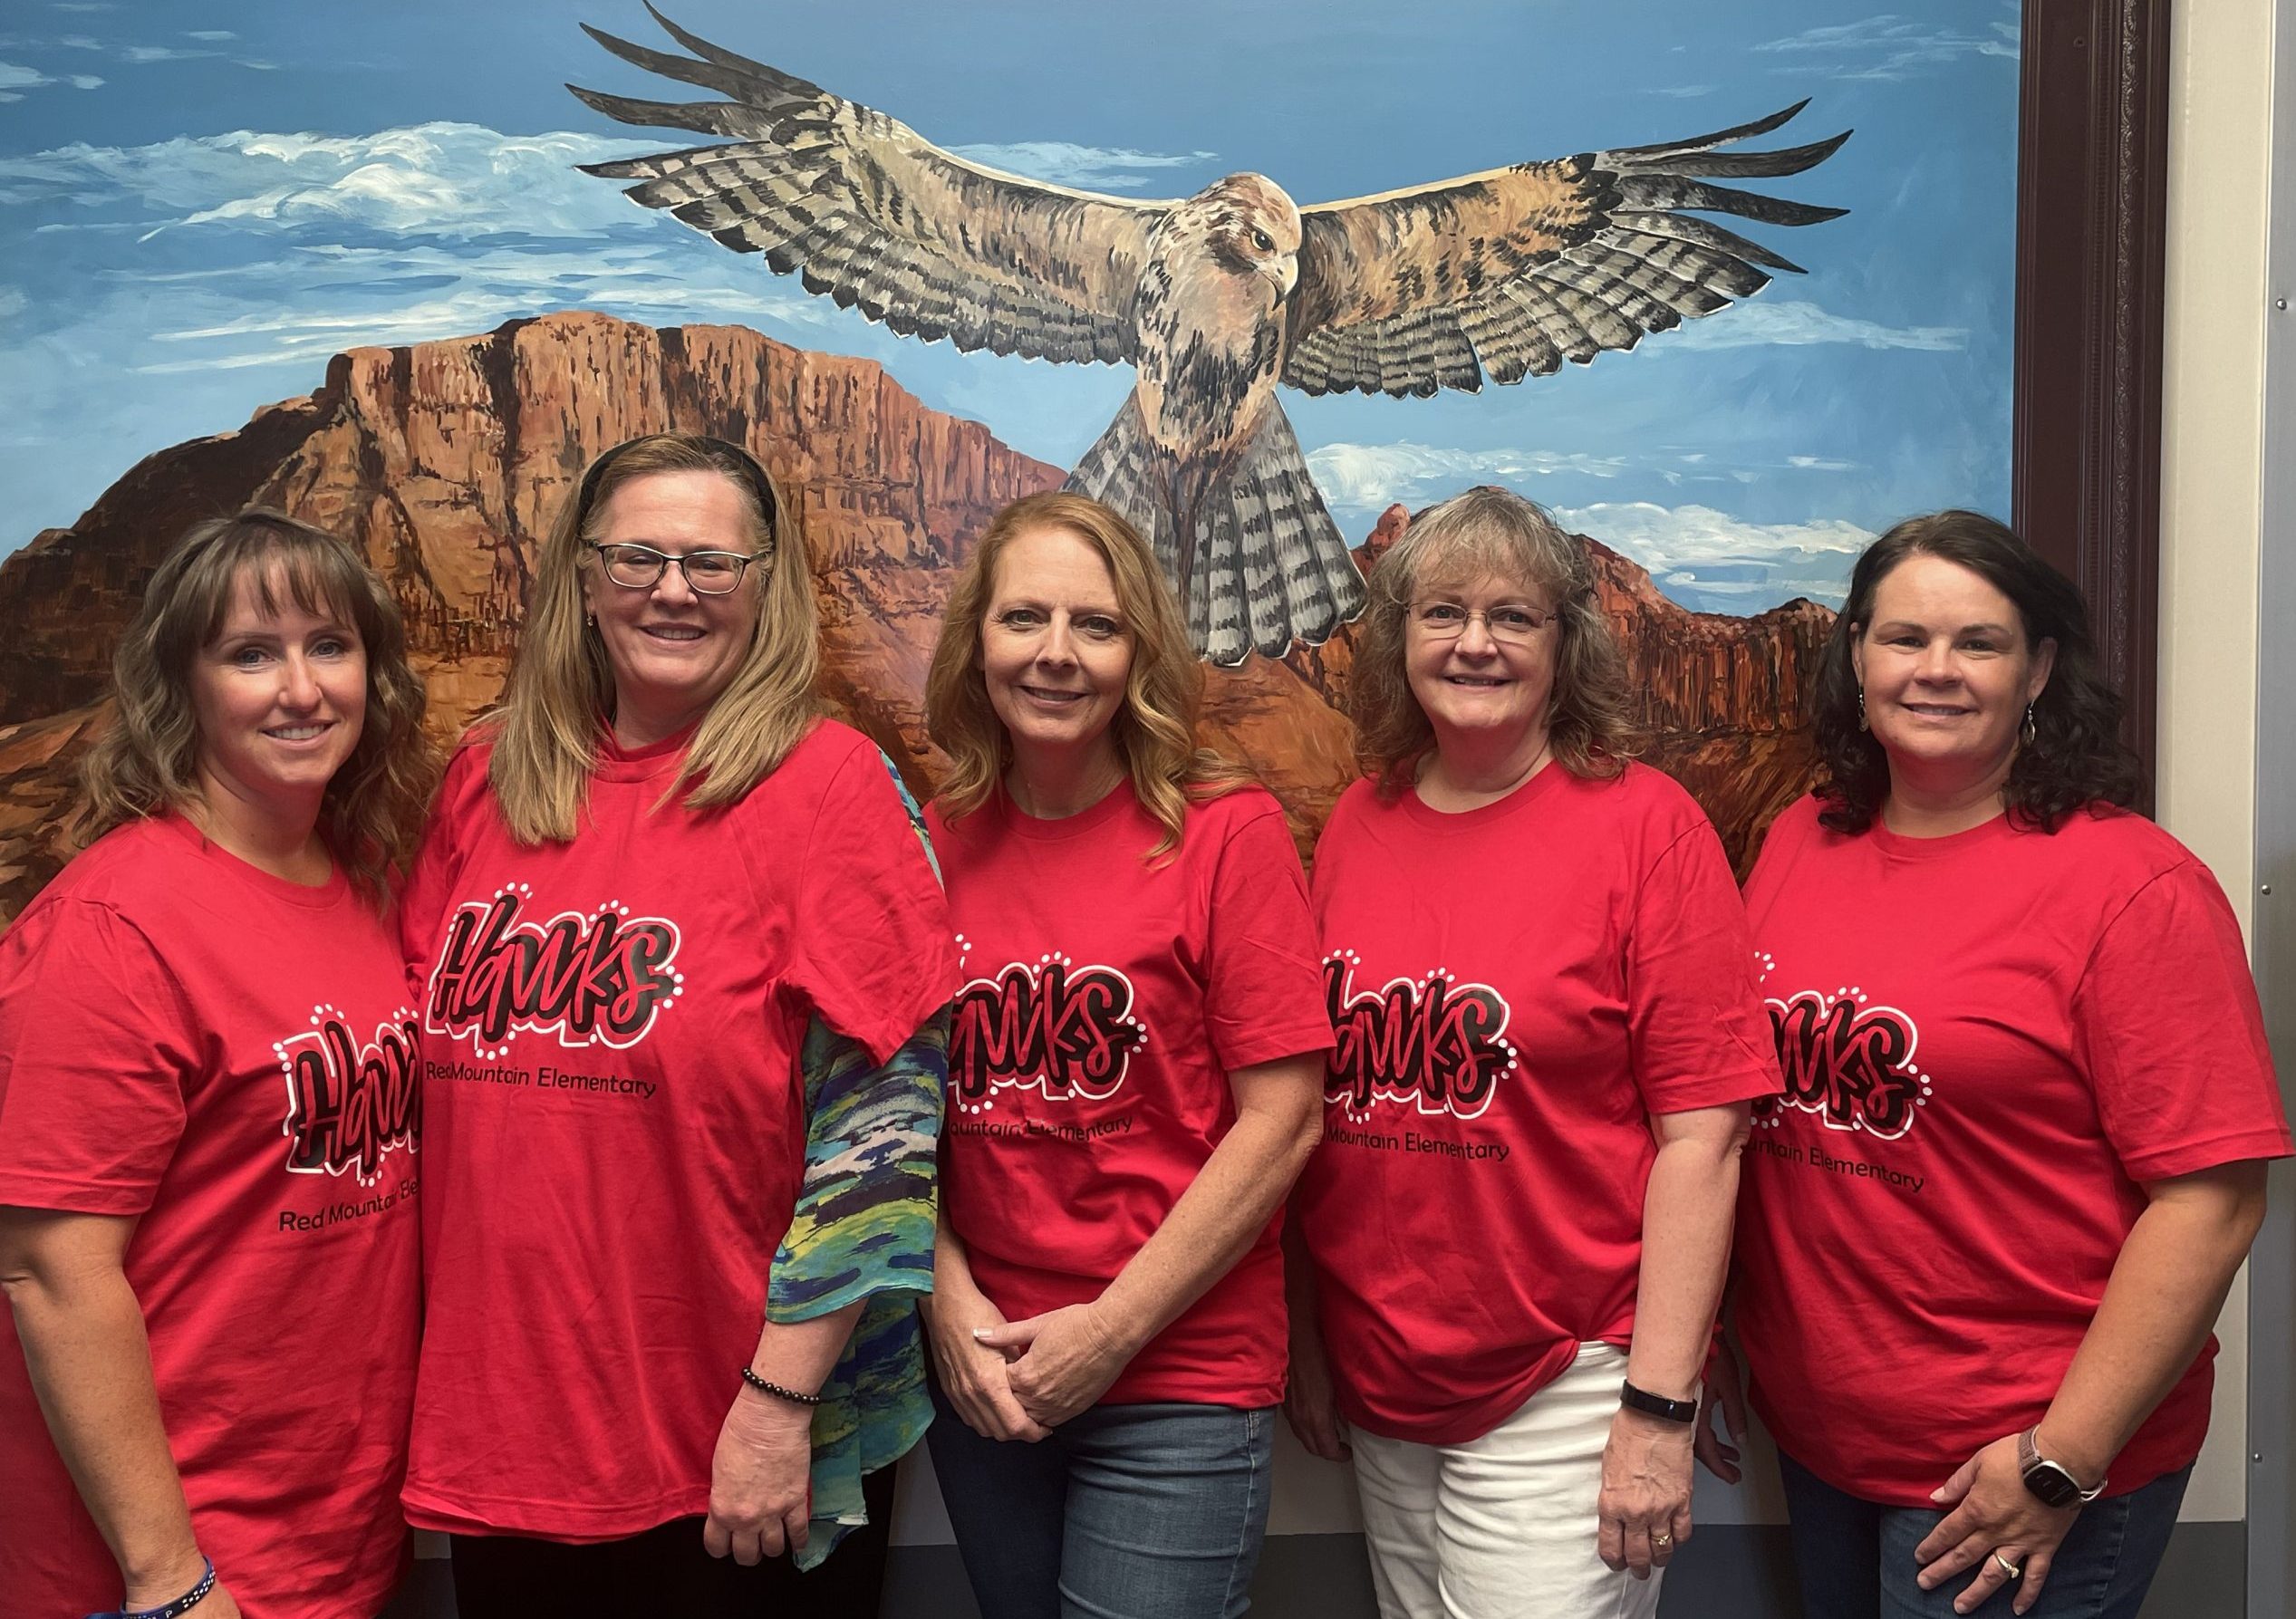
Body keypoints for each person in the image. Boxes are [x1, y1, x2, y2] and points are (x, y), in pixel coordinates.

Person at [398, 432, 957, 1618]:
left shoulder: (828, 783)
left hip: (732, 1442)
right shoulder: (484, 777)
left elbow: (886, 1134)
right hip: (507, 1426)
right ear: (580, 576)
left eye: (713, 561)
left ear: (768, 583)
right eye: (637, 555)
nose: (672, 588)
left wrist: (778, 1404)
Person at [1697, 509, 2289, 1618]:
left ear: (2038, 670)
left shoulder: (2132, 888)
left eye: (1976, 642)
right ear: (1856, 661)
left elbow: (2210, 1199)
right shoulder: (1797, 842)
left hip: (2012, 1462)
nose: (1933, 670)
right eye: (1900, 637)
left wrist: (2060, 1457)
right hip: (1825, 1436)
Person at [1284, 487, 1780, 1618]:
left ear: (1567, 644)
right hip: (1383, 1367)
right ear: (1397, 637)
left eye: (1512, 615)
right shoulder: (1361, 821)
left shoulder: (1645, 827)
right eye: (1441, 611)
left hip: (1568, 1371)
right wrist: (1308, 1333)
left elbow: (1704, 1139)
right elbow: (1317, 1111)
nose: (1473, 642)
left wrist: (1657, 1407)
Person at [0, 510, 435, 1619]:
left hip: (330, 1525)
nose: (301, 688)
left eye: (327, 645)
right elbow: (52, 1275)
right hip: (165, 1559)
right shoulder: (113, 925)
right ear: (181, 685)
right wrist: (169, 1577)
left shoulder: (362, 876)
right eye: (250, 653)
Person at [918, 490, 1331, 1619]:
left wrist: (1107, 1333)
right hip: (985, 1366)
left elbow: (1283, 1119)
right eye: (1024, 619)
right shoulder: (932, 832)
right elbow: (890, 1105)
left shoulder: (1221, 829)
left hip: (1175, 1374)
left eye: (1094, 626)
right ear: (977, 642)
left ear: (1139, 649)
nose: (1055, 654)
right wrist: (943, 1301)